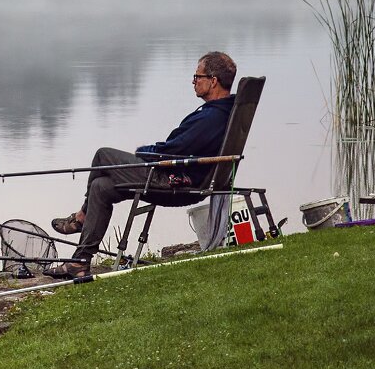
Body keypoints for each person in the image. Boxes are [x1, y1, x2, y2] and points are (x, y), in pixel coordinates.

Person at [45, 51, 237, 278]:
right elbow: (178, 147)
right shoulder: (223, 111)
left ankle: (81, 217)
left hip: (174, 182)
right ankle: (80, 262)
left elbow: (170, 151)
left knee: (103, 156)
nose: (193, 81)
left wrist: (143, 151)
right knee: (101, 188)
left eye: (197, 76)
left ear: (213, 80)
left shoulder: (210, 118)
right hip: (185, 178)